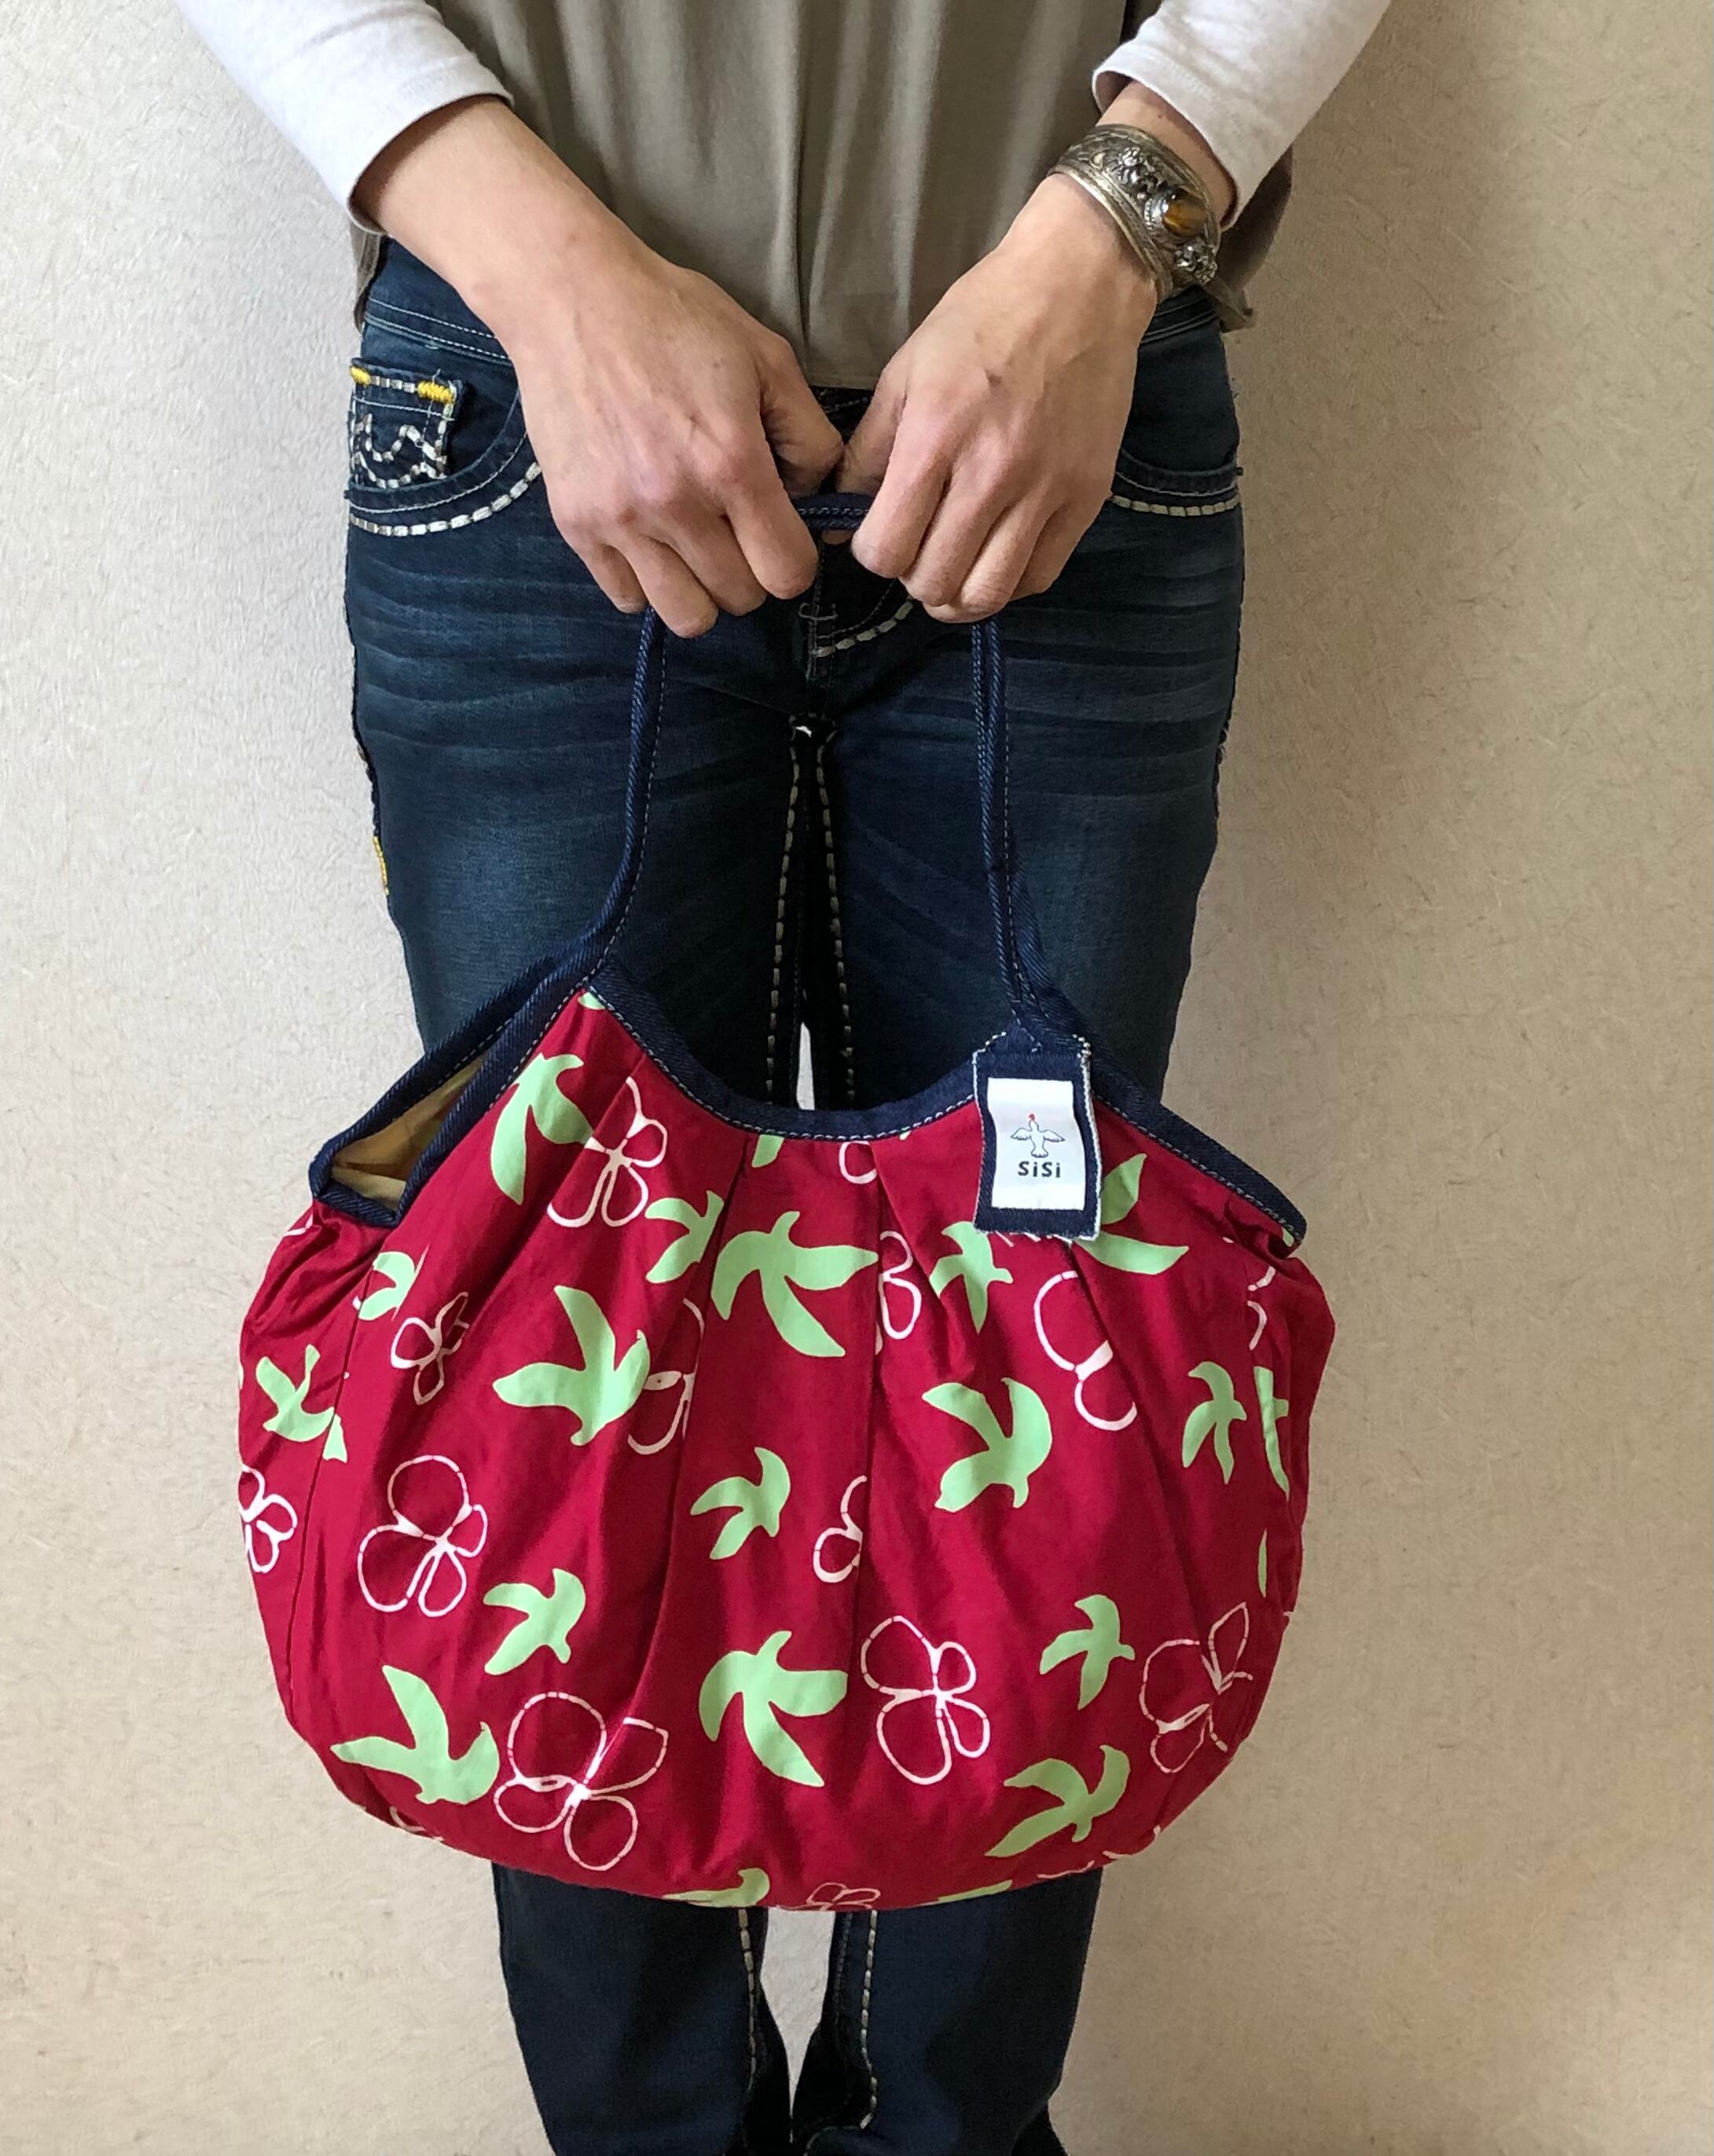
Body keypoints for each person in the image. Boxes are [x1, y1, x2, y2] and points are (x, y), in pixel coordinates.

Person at [178, 4, 1387, 2149]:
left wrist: (1109, 240)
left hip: (1063, 392)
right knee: (547, 1389)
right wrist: (547, 277)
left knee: (1045, 1403)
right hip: (531, 413)